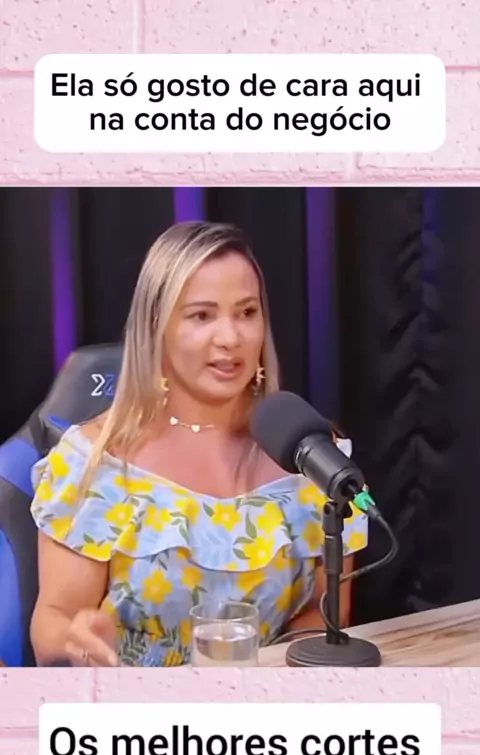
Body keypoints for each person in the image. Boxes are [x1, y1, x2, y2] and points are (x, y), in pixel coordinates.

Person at [29, 221, 368, 667]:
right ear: (157, 327)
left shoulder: (313, 457)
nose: (230, 338)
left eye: (246, 312)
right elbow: (53, 622)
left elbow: (325, 615)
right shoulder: (94, 464)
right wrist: (77, 640)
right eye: (202, 316)